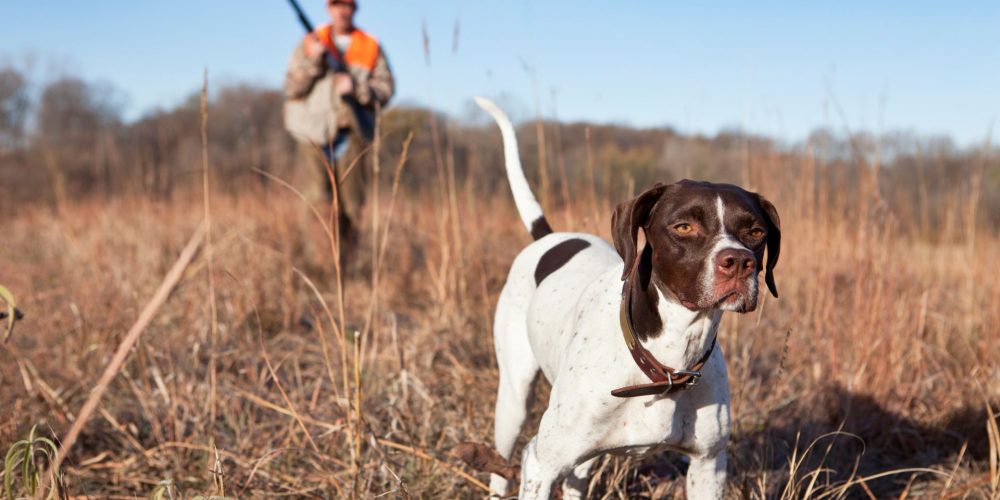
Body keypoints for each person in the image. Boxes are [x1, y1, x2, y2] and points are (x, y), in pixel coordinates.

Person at [283, 0, 394, 256]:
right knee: (316, 202)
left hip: (353, 133)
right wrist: (313, 62)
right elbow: (291, 89)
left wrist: (357, 89)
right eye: (336, 5)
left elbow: (387, 90)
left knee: (352, 205)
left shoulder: (369, 46)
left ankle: (347, 265)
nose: (342, 10)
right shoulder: (310, 43)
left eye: (347, 5)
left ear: (355, 9)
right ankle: (320, 268)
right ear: (328, 8)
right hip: (313, 134)